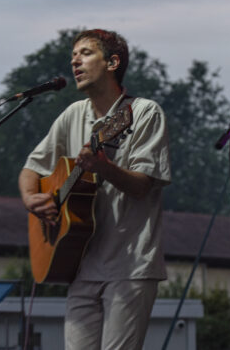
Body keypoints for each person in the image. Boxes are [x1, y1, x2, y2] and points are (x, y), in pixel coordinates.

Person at [19, 29, 171, 350]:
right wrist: (32, 198)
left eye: (85, 53)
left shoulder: (143, 113)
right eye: (73, 55)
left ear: (113, 62)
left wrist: (104, 167)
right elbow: (32, 168)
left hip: (130, 265)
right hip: (79, 263)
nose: (75, 61)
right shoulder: (73, 114)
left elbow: (143, 186)